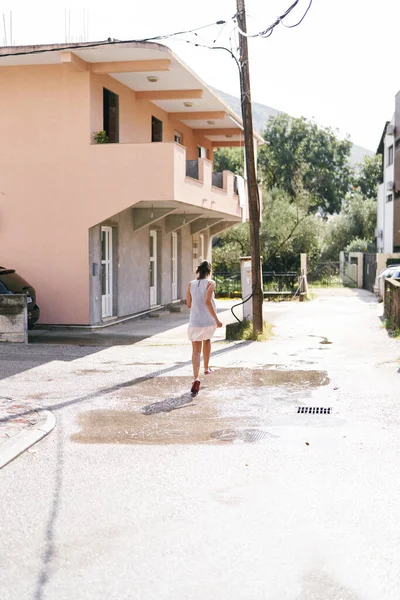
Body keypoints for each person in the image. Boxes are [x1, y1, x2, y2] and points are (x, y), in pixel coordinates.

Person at [186, 260, 222, 395]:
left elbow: (189, 304)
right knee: (207, 340)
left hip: (194, 321)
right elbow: (207, 301)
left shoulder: (190, 284)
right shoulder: (211, 283)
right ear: (209, 271)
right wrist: (217, 320)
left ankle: (196, 378)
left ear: (198, 271)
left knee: (195, 351)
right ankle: (206, 368)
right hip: (208, 321)